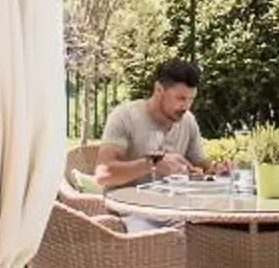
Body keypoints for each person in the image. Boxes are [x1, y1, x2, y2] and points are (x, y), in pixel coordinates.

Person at [88, 59, 231, 188]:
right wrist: (151, 164)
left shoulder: (187, 120)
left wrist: (216, 170)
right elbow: (102, 175)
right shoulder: (124, 116)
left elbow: (202, 167)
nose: (186, 106)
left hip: (173, 205)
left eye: (191, 99)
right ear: (159, 90)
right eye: (180, 98)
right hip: (128, 206)